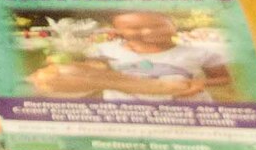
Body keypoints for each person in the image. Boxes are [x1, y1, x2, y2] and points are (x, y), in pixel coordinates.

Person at [80, 12, 233, 100]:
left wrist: (202, 83)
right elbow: (91, 76)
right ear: (116, 31)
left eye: (157, 26)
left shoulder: (201, 53)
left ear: (173, 25)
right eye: (134, 28)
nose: (148, 32)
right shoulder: (102, 51)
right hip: (126, 115)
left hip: (186, 114)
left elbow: (223, 78)